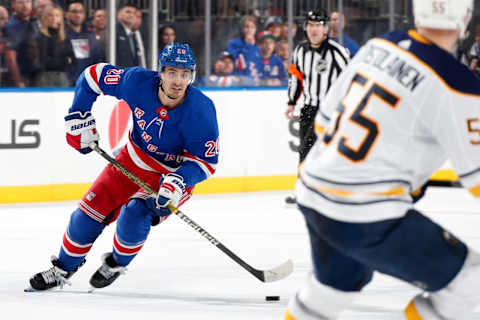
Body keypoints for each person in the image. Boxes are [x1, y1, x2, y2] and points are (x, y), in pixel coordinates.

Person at [284, 1, 480, 319]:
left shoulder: (380, 45)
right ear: (466, 18)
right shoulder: (458, 84)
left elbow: (323, 121)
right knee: (469, 280)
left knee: (332, 288)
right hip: (364, 214)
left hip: (313, 193)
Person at [27, 42, 219, 291]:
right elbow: (92, 76)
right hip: (132, 159)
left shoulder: (201, 110)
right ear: (160, 72)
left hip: (170, 177)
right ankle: (63, 267)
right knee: (87, 215)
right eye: (172, 72)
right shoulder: (137, 82)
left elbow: (206, 161)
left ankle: (116, 264)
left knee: (135, 215)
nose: (178, 81)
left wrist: (180, 180)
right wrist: (78, 114)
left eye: (185, 74)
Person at [284, 9, 349, 204]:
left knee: (331, 152)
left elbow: (351, 78)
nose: (314, 29)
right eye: (311, 25)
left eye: (318, 25)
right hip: (309, 109)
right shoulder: (300, 51)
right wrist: (291, 102)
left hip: (333, 112)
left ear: (326, 29)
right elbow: (296, 78)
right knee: (306, 150)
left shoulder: (337, 52)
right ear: (306, 28)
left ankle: (334, 190)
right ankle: (303, 191)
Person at [30, 4, 75, 87]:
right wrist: (65, 61)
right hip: (44, 78)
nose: (54, 18)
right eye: (50, 15)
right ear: (45, 17)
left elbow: (73, 59)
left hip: (62, 77)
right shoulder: (40, 37)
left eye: (57, 15)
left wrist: (60, 60)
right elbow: (43, 62)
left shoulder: (65, 37)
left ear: (61, 18)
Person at [65, 1, 104, 85]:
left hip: (87, 82)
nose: (77, 15)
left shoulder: (90, 34)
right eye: (74, 11)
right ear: (66, 14)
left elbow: (97, 57)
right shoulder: (61, 33)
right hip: (66, 83)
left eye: (80, 12)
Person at [3, 0, 38, 87]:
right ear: (13, 4)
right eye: (20, 2)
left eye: (27, 2)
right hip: (21, 77)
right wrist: (18, 81)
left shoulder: (35, 23)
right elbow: (10, 58)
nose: (25, 5)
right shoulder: (10, 27)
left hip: (37, 76)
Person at [226, 15, 262, 80]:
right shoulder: (233, 43)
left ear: (256, 29)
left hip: (255, 80)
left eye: (252, 27)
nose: (249, 30)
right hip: (238, 79)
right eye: (247, 27)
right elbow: (239, 62)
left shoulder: (259, 45)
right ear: (242, 29)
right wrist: (248, 45)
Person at [116, 3, 145, 68]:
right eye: (128, 12)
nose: (131, 15)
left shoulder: (132, 34)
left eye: (134, 13)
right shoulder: (114, 31)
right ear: (118, 14)